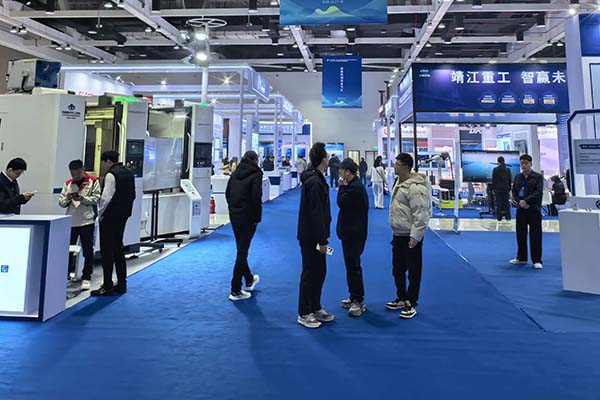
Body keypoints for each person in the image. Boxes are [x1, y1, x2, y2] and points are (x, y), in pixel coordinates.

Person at [386, 153, 431, 319]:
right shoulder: (398, 182)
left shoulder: (415, 188)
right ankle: (401, 297)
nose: (394, 167)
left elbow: (421, 214)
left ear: (405, 167)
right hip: (398, 233)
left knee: (413, 270)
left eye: (397, 164)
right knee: (397, 269)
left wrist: (415, 236)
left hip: (410, 235)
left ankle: (411, 302)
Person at [297, 142, 333, 329]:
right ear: (323, 159)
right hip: (311, 237)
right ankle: (304, 312)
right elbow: (316, 213)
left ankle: (315, 307)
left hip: (316, 235)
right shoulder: (314, 182)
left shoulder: (316, 179)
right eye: (326, 155)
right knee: (310, 273)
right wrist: (322, 240)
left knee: (319, 271)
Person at [91, 150, 136, 296]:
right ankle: (122, 284)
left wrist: (100, 214)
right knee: (118, 249)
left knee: (107, 252)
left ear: (108, 161)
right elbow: (132, 195)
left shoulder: (111, 175)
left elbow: (106, 198)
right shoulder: (128, 172)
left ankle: (107, 286)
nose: (103, 166)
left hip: (110, 217)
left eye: (103, 163)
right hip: (123, 215)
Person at [225, 151, 263, 301]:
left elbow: (228, 193)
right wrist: (256, 217)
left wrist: (234, 208)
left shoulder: (235, 173)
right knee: (242, 252)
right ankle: (235, 290)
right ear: (255, 160)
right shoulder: (256, 175)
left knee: (241, 249)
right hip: (248, 217)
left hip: (235, 216)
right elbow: (256, 198)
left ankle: (248, 279)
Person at [58, 160, 101, 290]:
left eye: (78, 173)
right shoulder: (68, 183)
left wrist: (82, 199)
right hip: (71, 221)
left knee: (88, 250)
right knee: (68, 250)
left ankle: (86, 276)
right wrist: (68, 198)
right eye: (73, 174)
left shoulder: (93, 181)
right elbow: (61, 202)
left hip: (87, 221)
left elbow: (96, 198)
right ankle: (65, 275)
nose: (76, 176)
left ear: (83, 169)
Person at [337, 158, 369, 317]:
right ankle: (353, 296)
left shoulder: (354, 188)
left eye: (341, 170)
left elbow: (341, 202)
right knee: (350, 266)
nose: (339, 173)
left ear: (347, 172)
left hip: (354, 234)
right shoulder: (354, 186)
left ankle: (358, 300)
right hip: (351, 232)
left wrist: (341, 187)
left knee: (354, 266)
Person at [510, 154, 544, 270]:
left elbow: (538, 192)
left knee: (535, 235)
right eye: (522, 163)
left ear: (530, 164)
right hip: (521, 209)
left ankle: (537, 260)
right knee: (520, 234)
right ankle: (521, 257)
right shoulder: (518, 177)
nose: (524, 166)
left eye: (526, 163)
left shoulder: (537, 177)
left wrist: (527, 201)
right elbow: (514, 192)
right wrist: (519, 201)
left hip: (533, 209)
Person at [492, 156, 512, 222]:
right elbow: (510, 180)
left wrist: (493, 189)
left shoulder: (495, 169)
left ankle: (499, 218)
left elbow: (494, 180)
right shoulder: (508, 169)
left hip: (498, 189)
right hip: (506, 188)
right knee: (506, 203)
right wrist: (509, 188)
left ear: (498, 162)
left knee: (498, 203)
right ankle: (508, 217)